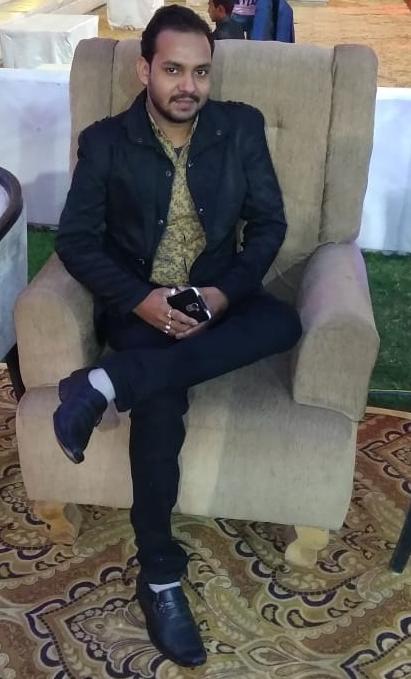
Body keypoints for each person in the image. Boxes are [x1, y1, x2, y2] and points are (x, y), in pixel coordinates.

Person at [53, 4, 302, 669]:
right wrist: (141, 300)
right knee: (160, 408)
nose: (188, 86)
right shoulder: (107, 142)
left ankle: (109, 382)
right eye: (172, 70)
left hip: (215, 297)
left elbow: (269, 225)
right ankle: (160, 576)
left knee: (283, 320)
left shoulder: (240, 127)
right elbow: (76, 240)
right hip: (139, 306)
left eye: (200, 72)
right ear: (144, 70)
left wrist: (220, 295)